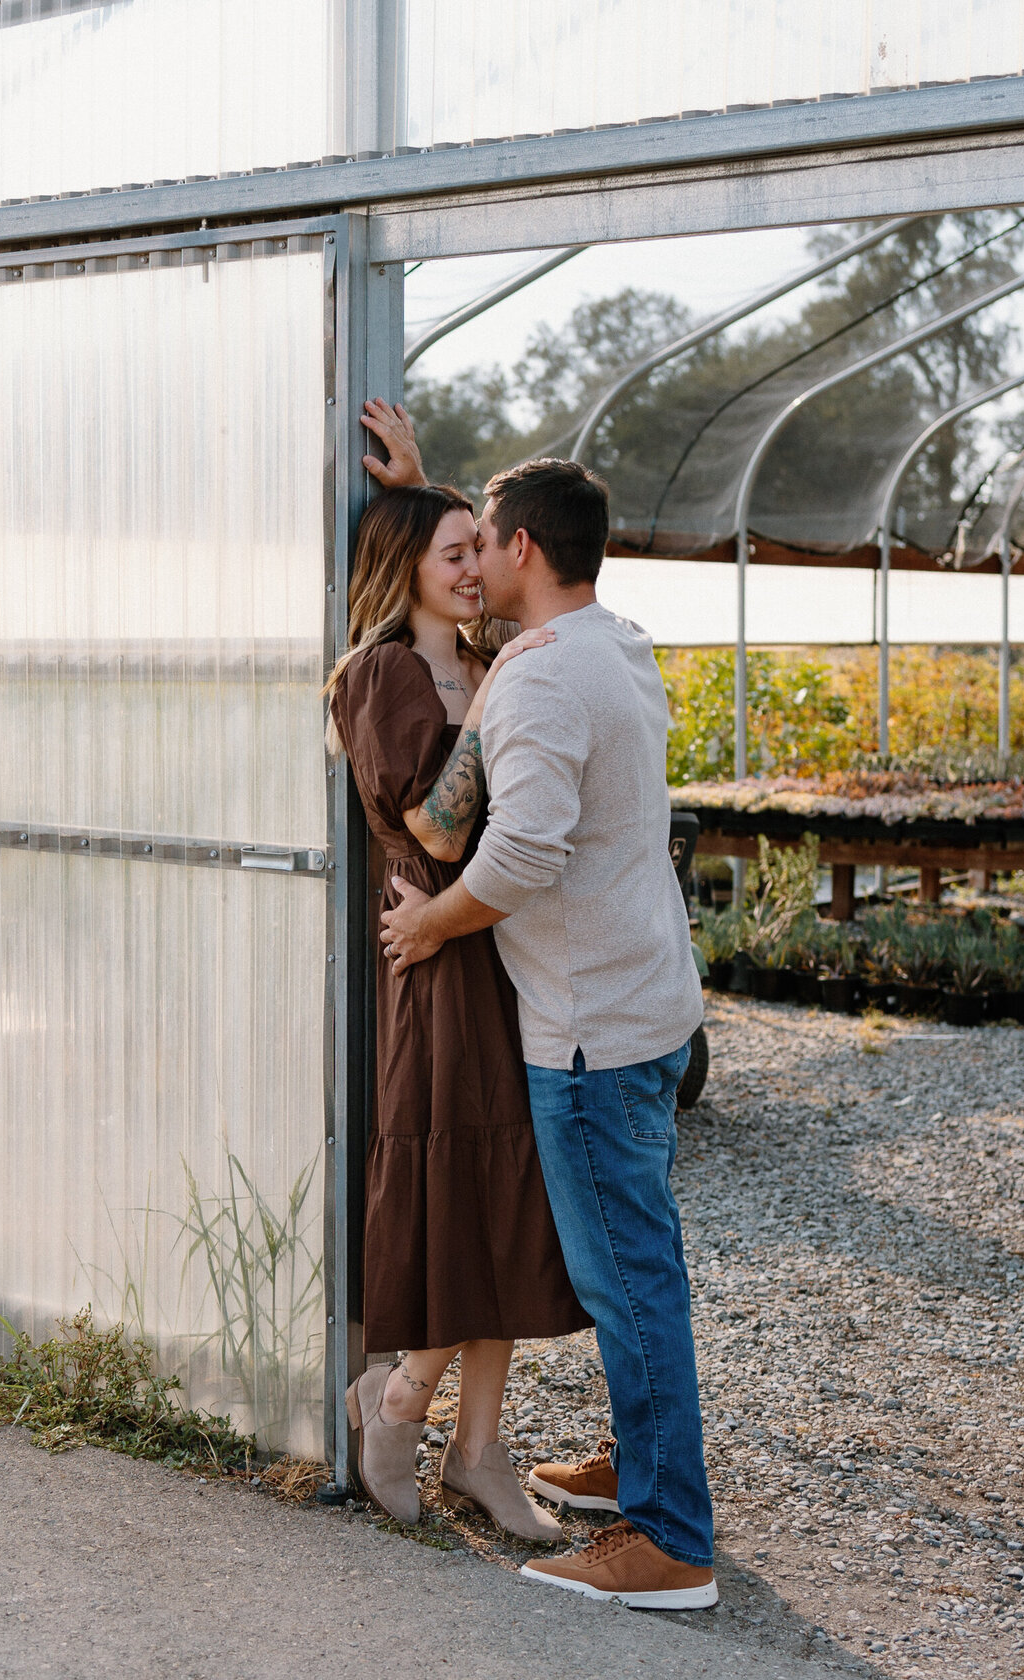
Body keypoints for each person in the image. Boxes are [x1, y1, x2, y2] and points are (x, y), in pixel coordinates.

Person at [374, 405, 718, 1611]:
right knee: (644, 1264)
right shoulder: (611, 640)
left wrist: (426, 921)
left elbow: (517, 857)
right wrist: (427, 492)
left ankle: (669, 1541)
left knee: (630, 1285)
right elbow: (523, 538)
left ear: (518, 548)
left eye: (485, 540)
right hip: (647, 1007)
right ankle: (644, 1467)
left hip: (588, 1034)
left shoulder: (536, 683)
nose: (473, 561)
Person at [326, 458, 589, 1544]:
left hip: (500, 946)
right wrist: (488, 691)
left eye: (480, 546)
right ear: (409, 571)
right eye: (455, 553)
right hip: (432, 955)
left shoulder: (481, 658)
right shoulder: (378, 676)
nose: (478, 565)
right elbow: (435, 816)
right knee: (454, 1188)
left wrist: (432, 484)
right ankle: (396, 1407)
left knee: (510, 1190)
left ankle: (478, 1448)